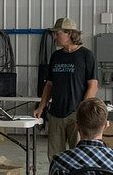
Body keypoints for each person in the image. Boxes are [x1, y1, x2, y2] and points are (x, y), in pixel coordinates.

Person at [33, 17, 99, 161]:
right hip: (56, 113)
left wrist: (83, 110)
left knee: (79, 154)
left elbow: (93, 85)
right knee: (55, 155)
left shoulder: (86, 56)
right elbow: (49, 85)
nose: (55, 36)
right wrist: (41, 107)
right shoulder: (56, 56)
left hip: (75, 113)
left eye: (58, 33)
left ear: (69, 34)